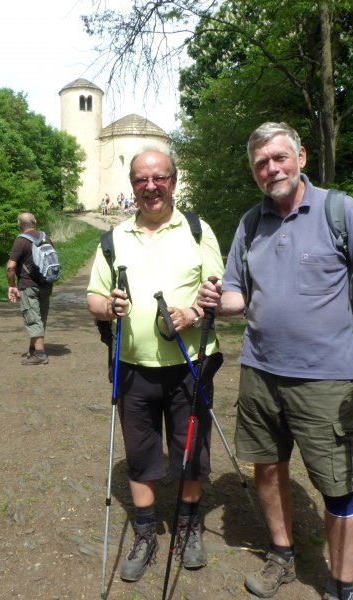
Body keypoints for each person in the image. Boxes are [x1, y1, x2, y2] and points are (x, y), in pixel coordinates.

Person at [197, 122, 353, 600]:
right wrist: (213, 299)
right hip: (260, 371)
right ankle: (282, 554)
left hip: (326, 379)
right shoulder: (250, 224)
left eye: (279, 158)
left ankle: (341, 585)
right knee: (267, 467)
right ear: (254, 173)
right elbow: (236, 297)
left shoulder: (339, 210)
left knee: (336, 484)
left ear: (301, 157)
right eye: (261, 164)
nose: (271, 169)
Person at [87, 149, 225, 582]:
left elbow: (219, 290)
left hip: (191, 364)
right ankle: (145, 535)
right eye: (142, 180)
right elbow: (92, 297)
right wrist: (109, 307)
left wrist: (193, 313)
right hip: (132, 365)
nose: (151, 187)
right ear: (132, 186)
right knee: (141, 453)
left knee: (191, 451)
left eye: (159, 178)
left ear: (173, 181)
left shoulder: (199, 231)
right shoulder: (113, 239)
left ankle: (188, 527)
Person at [6, 212, 53, 365]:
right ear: (35, 222)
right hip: (46, 284)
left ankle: (39, 354)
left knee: (32, 317)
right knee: (41, 317)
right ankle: (33, 348)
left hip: (28, 285)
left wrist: (11, 285)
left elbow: (11, 266)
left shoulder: (20, 241)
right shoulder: (46, 238)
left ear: (19, 225)